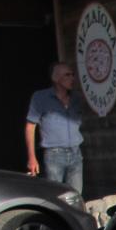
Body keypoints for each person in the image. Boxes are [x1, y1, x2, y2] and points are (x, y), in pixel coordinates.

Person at [25, 62, 85, 192]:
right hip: (54, 154)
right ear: (56, 78)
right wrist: (32, 157)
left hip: (75, 151)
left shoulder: (76, 98)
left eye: (72, 75)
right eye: (67, 75)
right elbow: (30, 127)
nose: (72, 78)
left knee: (75, 195)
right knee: (55, 194)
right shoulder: (41, 98)